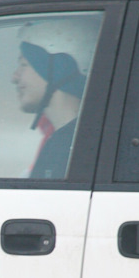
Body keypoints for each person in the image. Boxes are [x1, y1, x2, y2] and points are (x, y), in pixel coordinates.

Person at [11, 40, 86, 179]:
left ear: (59, 69)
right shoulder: (63, 141)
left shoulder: (76, 149)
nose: (14, 77)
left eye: (23, 65)